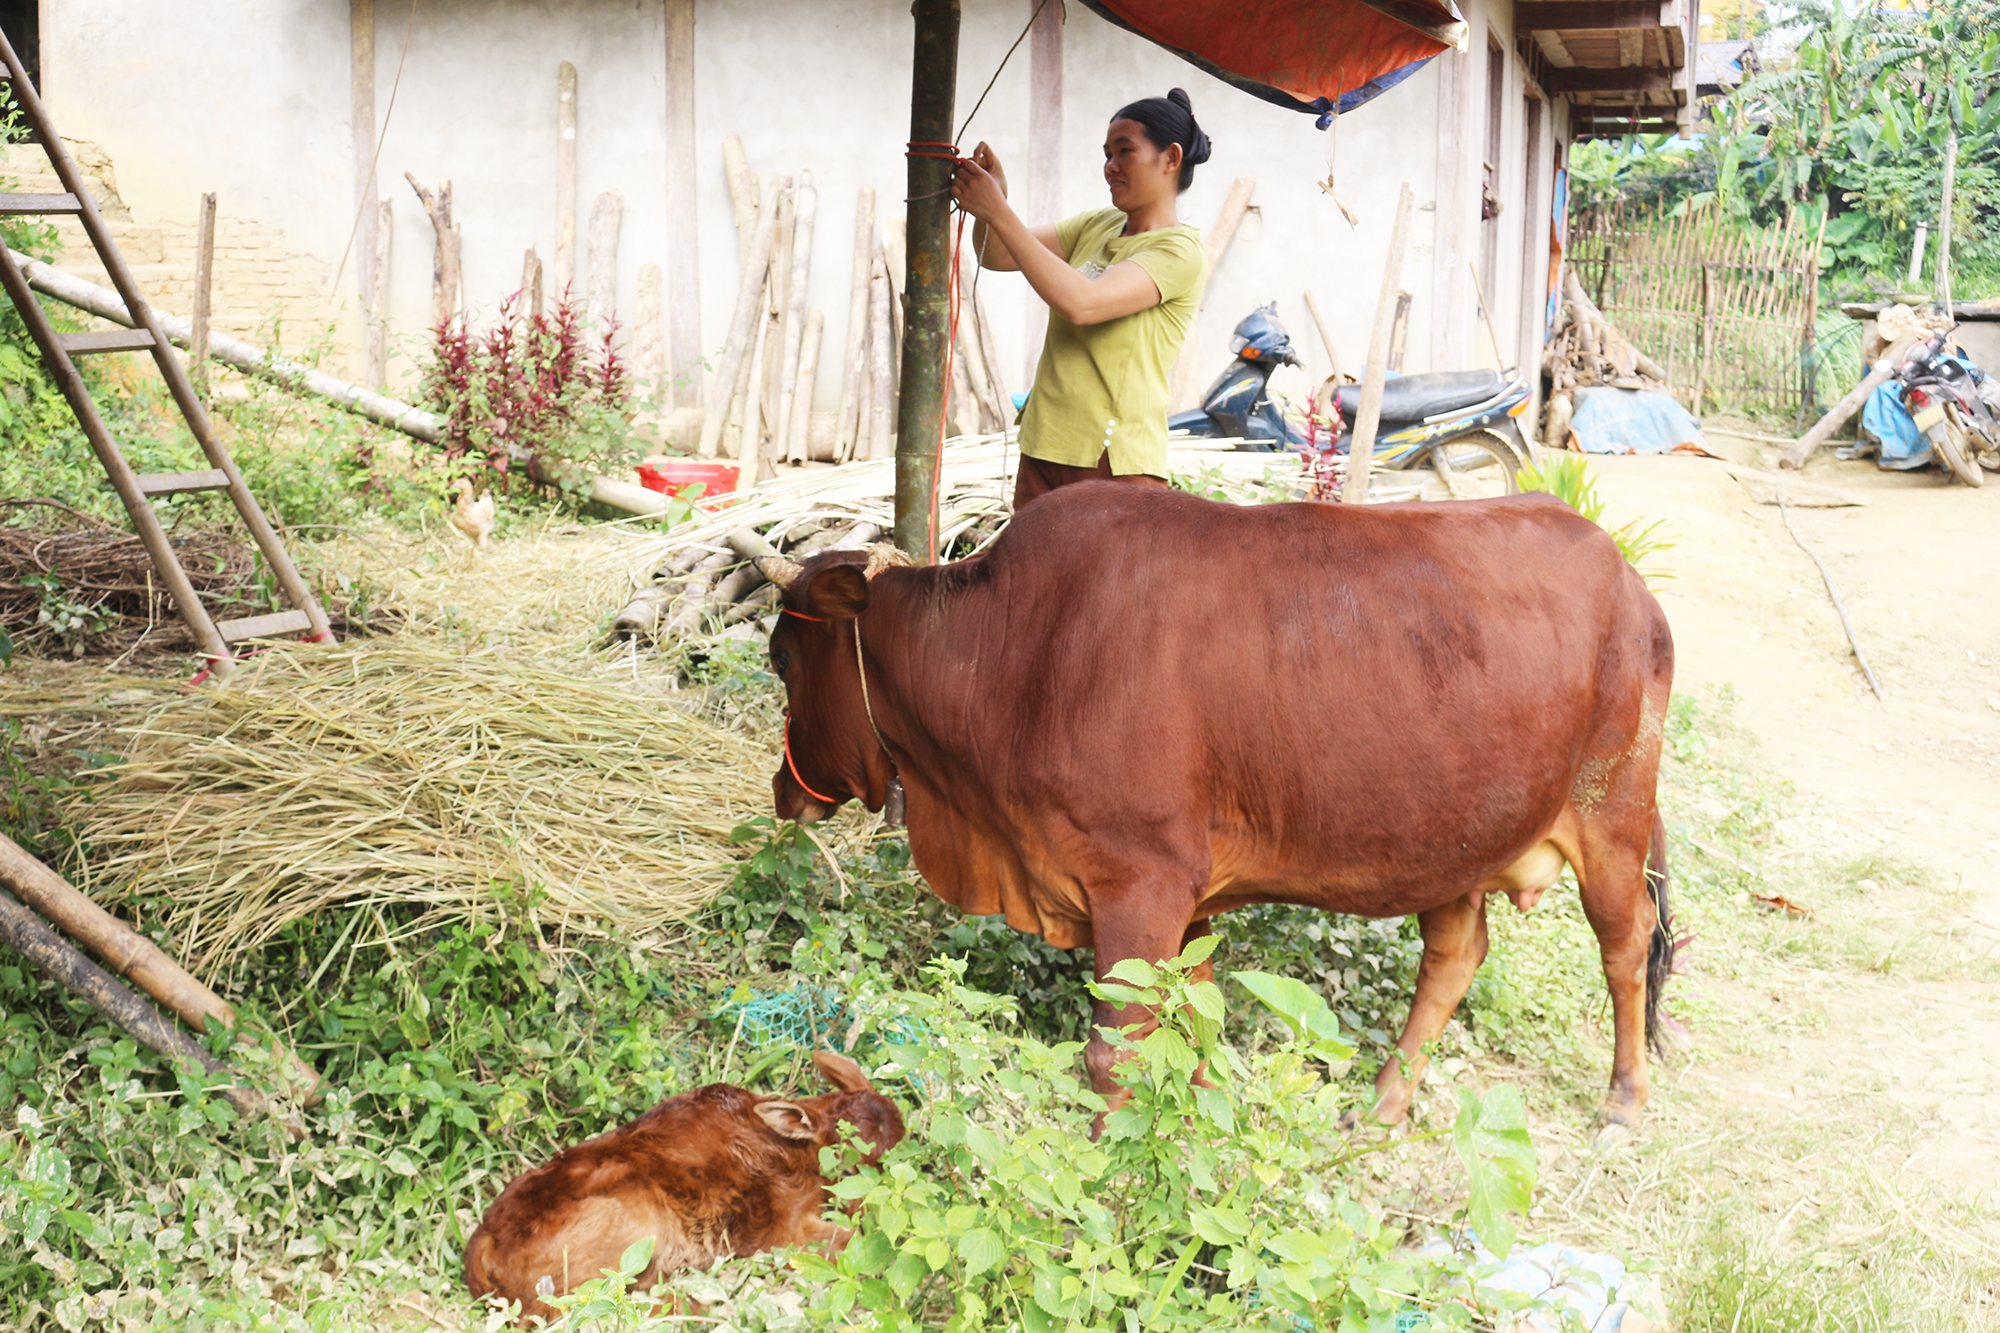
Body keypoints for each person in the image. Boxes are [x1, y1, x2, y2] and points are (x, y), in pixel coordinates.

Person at [951, 88, 1211, 510]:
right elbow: (996, 254)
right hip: (1045, 444)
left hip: (1111, 460)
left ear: (1172, 158)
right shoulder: (1099, 224)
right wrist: (997, 197)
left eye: (1125, 151)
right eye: (1107, 154)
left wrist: (998, 211)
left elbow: (1083, 304)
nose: (1110, 167)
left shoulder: (1178, 251)